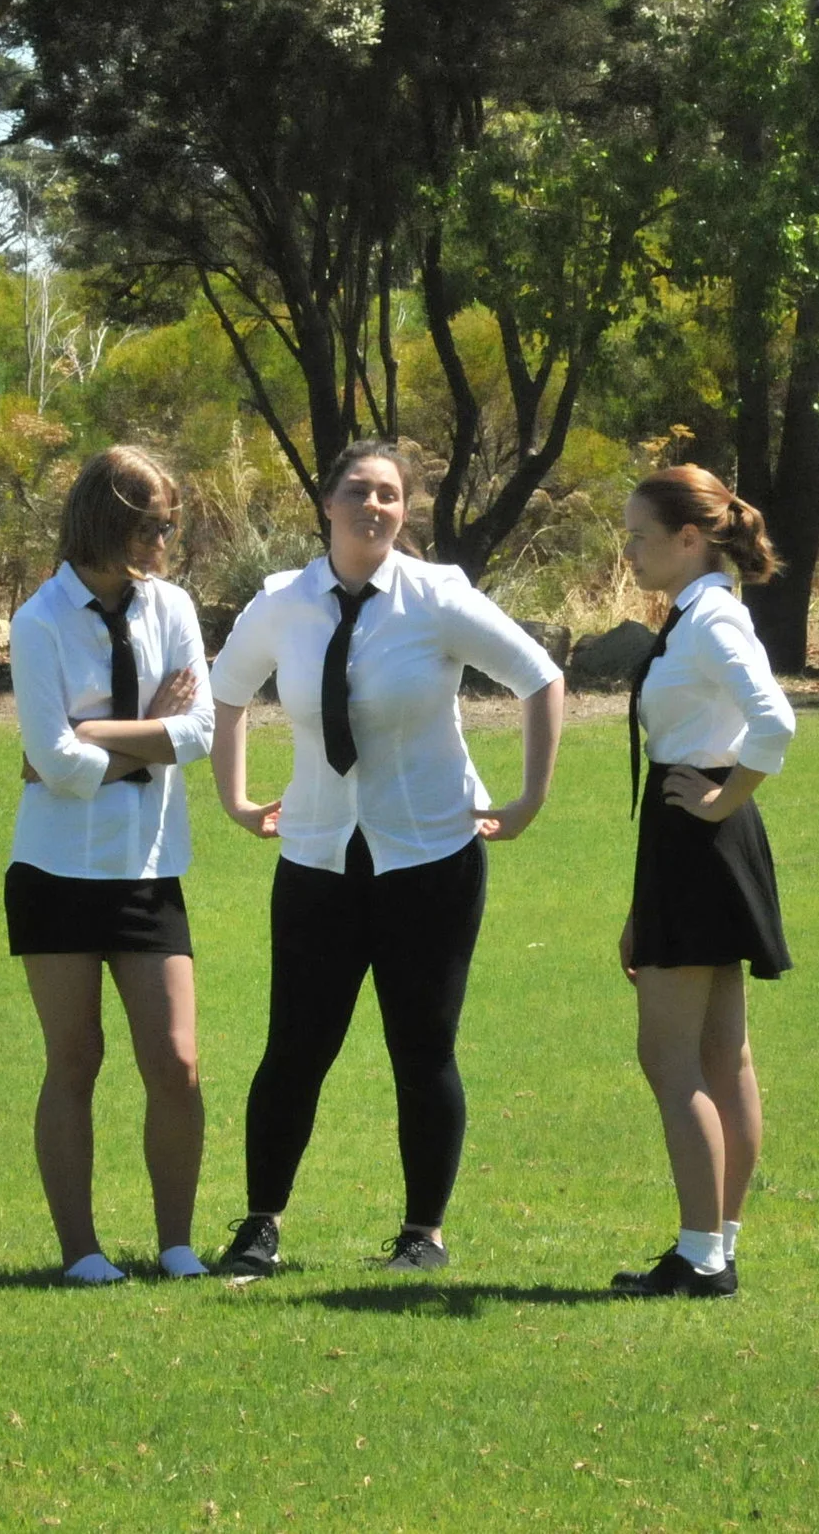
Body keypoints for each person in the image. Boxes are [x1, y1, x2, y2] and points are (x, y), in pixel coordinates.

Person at [208, 441, 565, 1276]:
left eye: (392, 496)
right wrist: (234, 797)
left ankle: (422, 1236)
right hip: (318, 859)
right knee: (294, 1049)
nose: (376, 507)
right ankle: (260, 1228)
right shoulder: (281, 603)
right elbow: (227, 691)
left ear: (406, 512)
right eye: (360, 491)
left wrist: (526, 801)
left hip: (431, 857)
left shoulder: (438, 597)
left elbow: (539, 677)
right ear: (326, 503)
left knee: (423, 1048)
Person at [7, 446, 215, 1285]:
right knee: (76, 1059)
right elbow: (49, 764)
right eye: (156, 523)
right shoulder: (40, 621)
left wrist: (95, 735)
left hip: (149, 868)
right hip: (56, 872)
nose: (169, 537)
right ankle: (81, 1253)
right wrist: (138, 745)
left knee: (176, 1061)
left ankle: (175, 1244)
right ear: (113, 522)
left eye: (170, 521)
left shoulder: (174, 609)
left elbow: (199, 734)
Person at [608, 464, 797, 1300]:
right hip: (694, 835)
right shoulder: (702, 612)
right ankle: (714, 1245)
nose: (631, 551)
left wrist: (725, 800)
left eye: (640, 537)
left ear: (690, 539)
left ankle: (700, 1253)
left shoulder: (712, 618)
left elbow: (776, 719)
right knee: (724, 1055)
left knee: (671, 1054)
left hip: (701, 829)